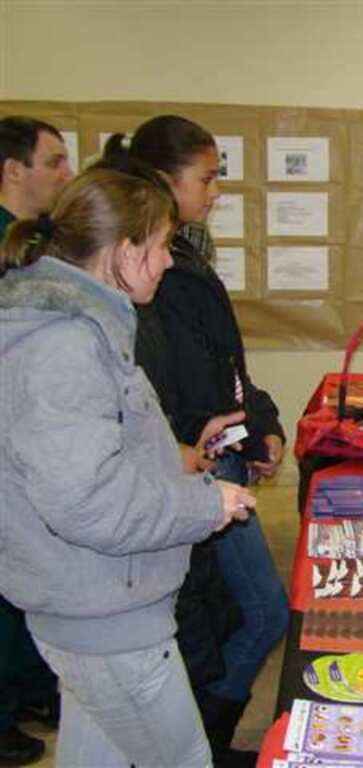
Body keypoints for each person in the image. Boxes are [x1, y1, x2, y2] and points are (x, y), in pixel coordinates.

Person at [0, 168, 255, 767]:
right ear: (125, 251)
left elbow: (100, 453)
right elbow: (88, 501)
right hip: (105, 617)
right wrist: (207, 503)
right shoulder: (63, 345)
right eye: (162, 246)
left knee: (99, 755)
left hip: (90, 607)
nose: (168, 262)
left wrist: (180, 458)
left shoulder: (78, 326)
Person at [100, 116, 290, 765]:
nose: (215, 192)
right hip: (191, 476)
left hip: (213, 457)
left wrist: (261, 421)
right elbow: (164, 402)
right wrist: (192, 447)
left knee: (243, 617)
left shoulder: (187, 258)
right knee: (257, 614)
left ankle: (202, 739)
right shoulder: (152, 284)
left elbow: (226, 369)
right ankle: (200, 743)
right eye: (207, 178)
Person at [0, 115, 74, 766]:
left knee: (32, 575)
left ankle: (29, 688)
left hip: (36, 439)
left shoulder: (43, 243)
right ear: (13, 169)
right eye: (53, 161)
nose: (64, 173)